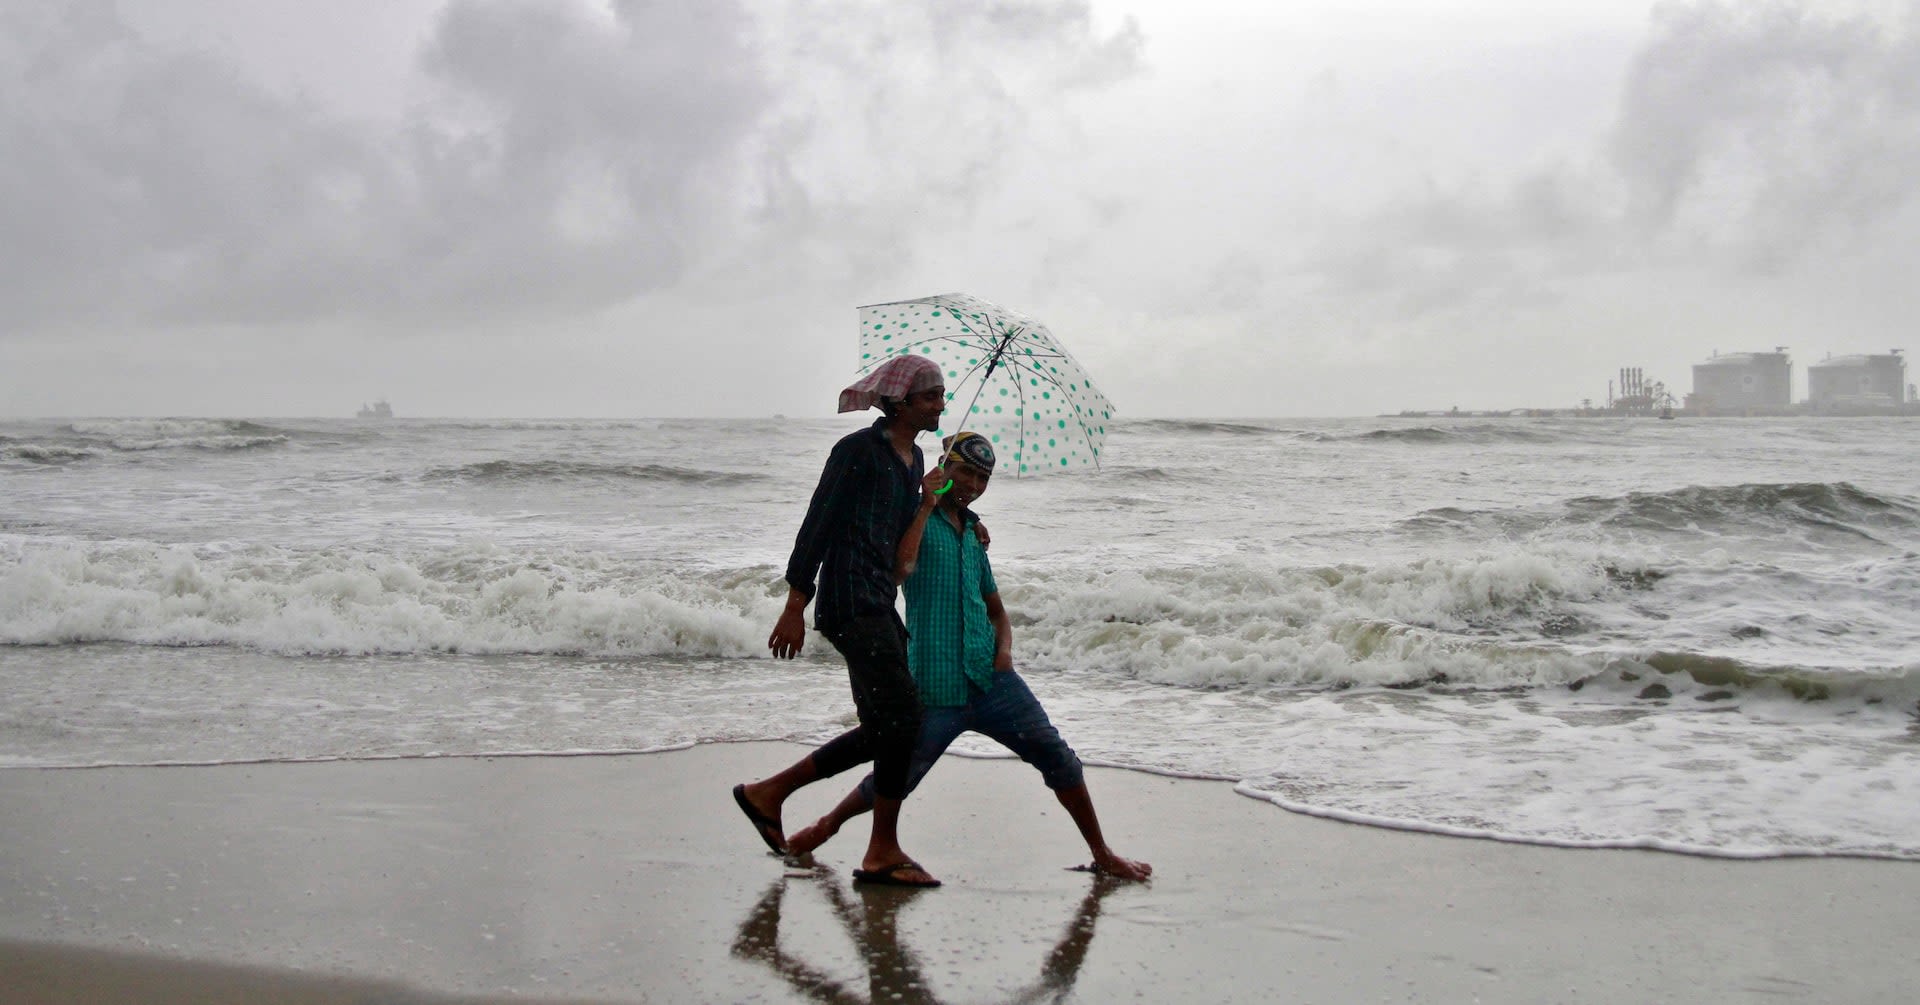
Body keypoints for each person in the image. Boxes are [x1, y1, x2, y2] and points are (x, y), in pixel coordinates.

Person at [785, 431, 1151, 882]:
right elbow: (899, 571)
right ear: (945, 467)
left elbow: (997, 612)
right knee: (898, 776)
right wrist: (924, 504)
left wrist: (1005, 653)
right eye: (966, 473)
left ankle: (1103, 853)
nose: (974, 485)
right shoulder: (911, 519)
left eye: (983, 478)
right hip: (934, 686)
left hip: (991, 681)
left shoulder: (975, 537)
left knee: (1058, 757)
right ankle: (825, 826)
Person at [732, 353, 947, 888]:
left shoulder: (915, 461)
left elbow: (901, 555)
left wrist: (931, 506)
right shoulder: (856, 451)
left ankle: (768, 794)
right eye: (930, 397)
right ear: (900, 403)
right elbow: (817, 525)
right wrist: (793, 607)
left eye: (941, 395)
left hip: (879, 598)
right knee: (904, 718)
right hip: (849, 601)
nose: (940, 404)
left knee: (887, 728)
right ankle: (881, 851)